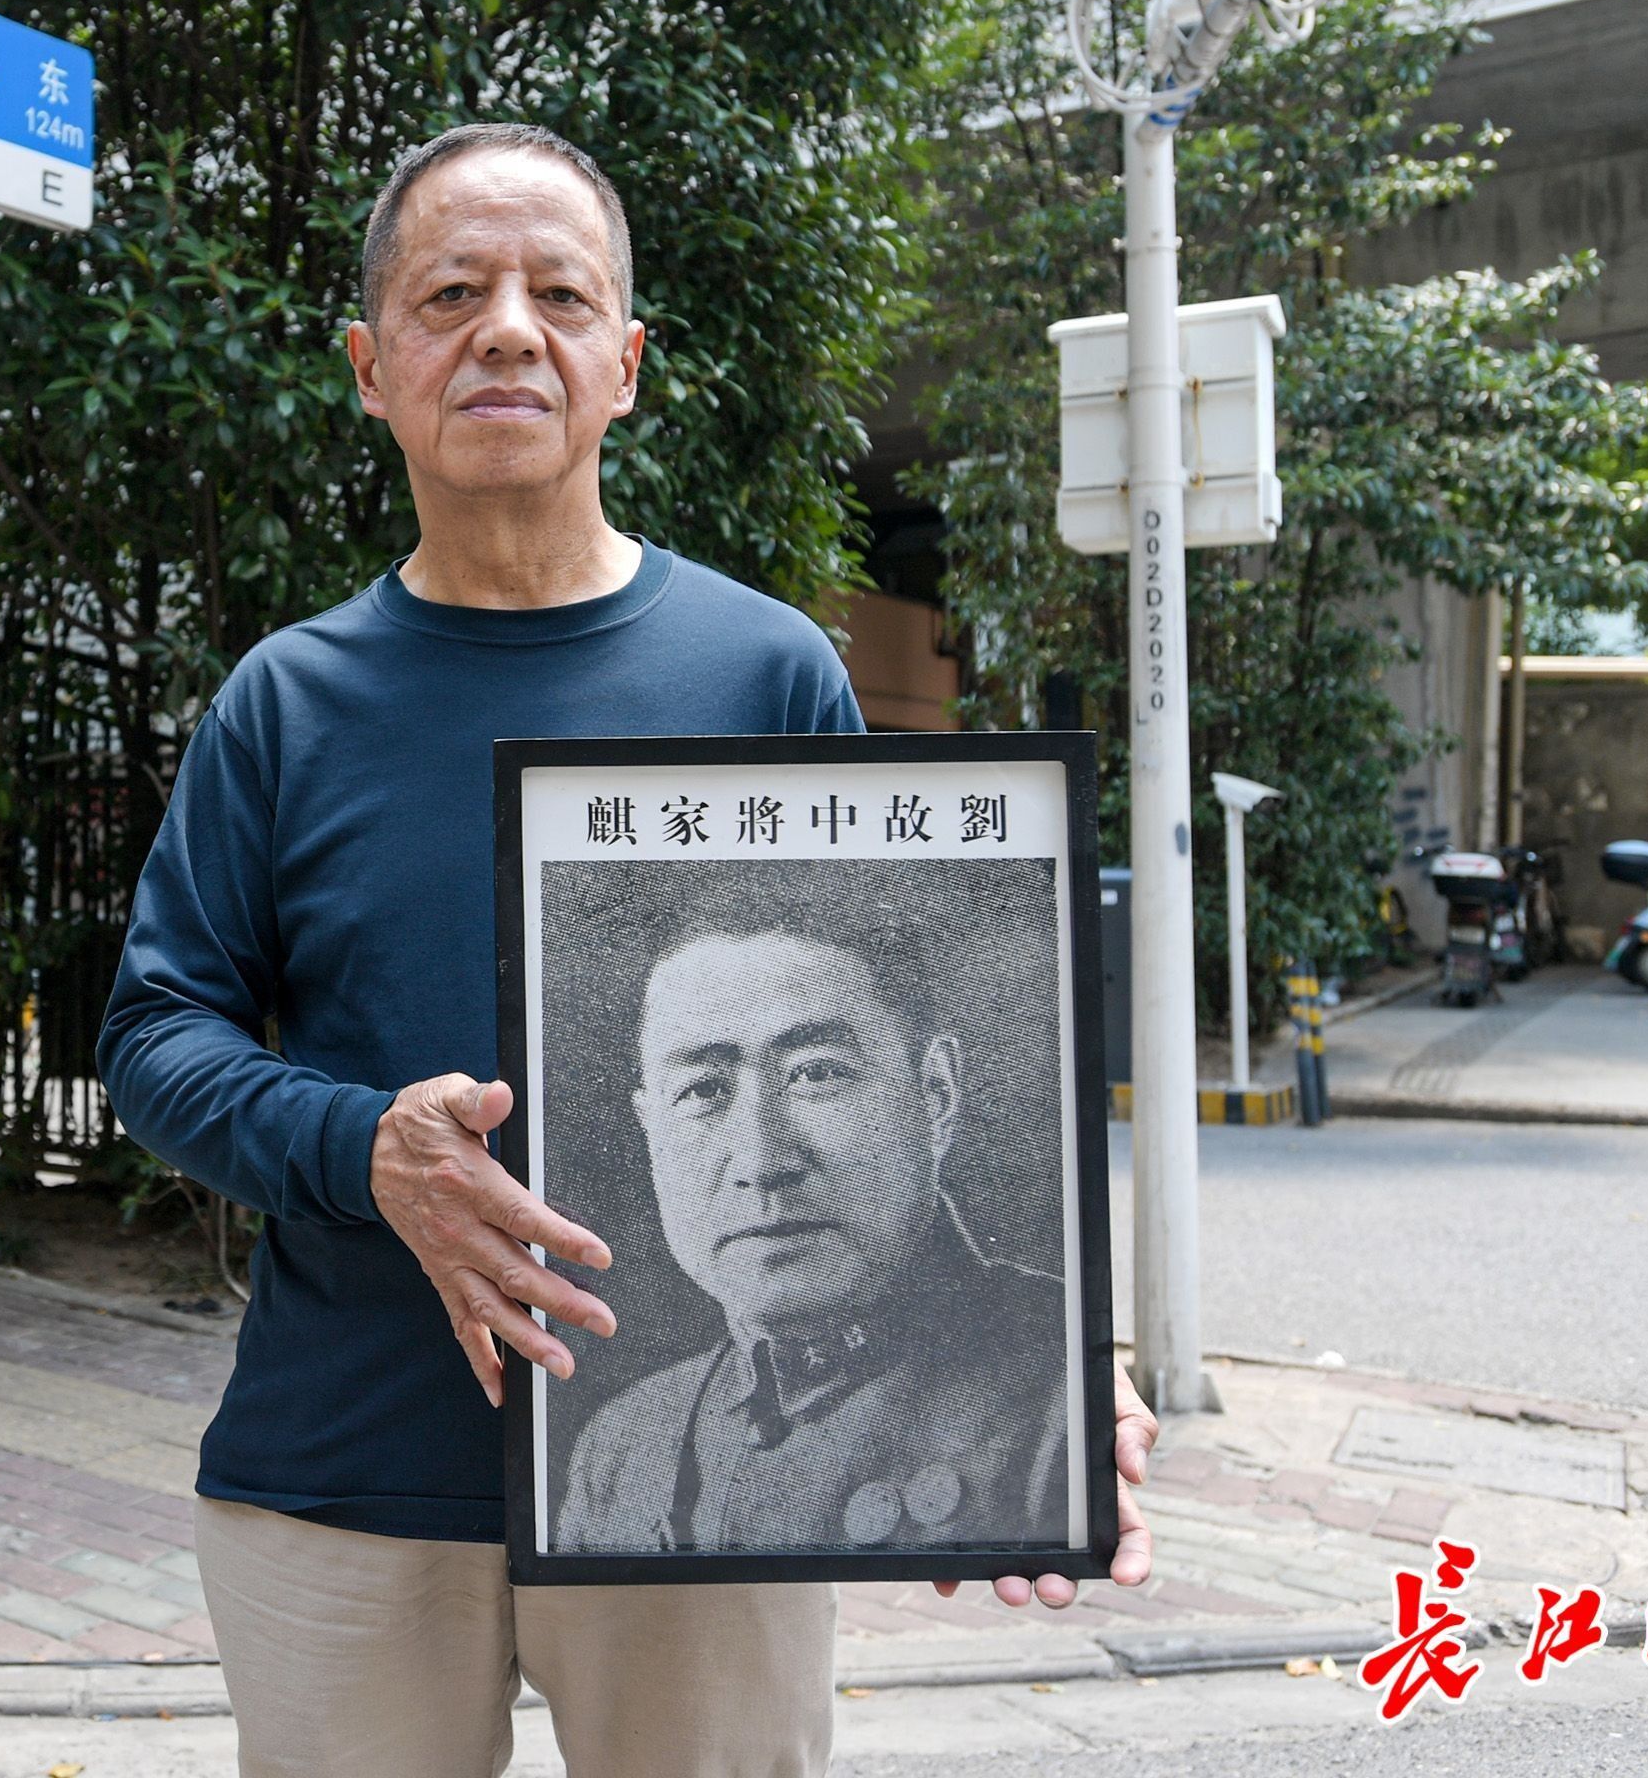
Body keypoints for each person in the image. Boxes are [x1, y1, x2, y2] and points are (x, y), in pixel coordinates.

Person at [98, 122, 1156, 1778]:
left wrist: (1040, 1373)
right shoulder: (285, 704)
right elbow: (157, 1035)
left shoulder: (765, 674)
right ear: (371, 369)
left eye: (559, 295)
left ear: (626, 365)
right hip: (349, 1469)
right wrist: (364, 1149)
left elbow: (872, 1017)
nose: (508, 331)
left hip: (720, 1499)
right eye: (453, 295)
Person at [556, 924, 1069, 1554]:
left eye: (817, 1073)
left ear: (934, 1094)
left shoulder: (1060, 1393)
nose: (761, 1160)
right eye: (702, 1090)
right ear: (650, 1130)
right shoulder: (622, 1446)